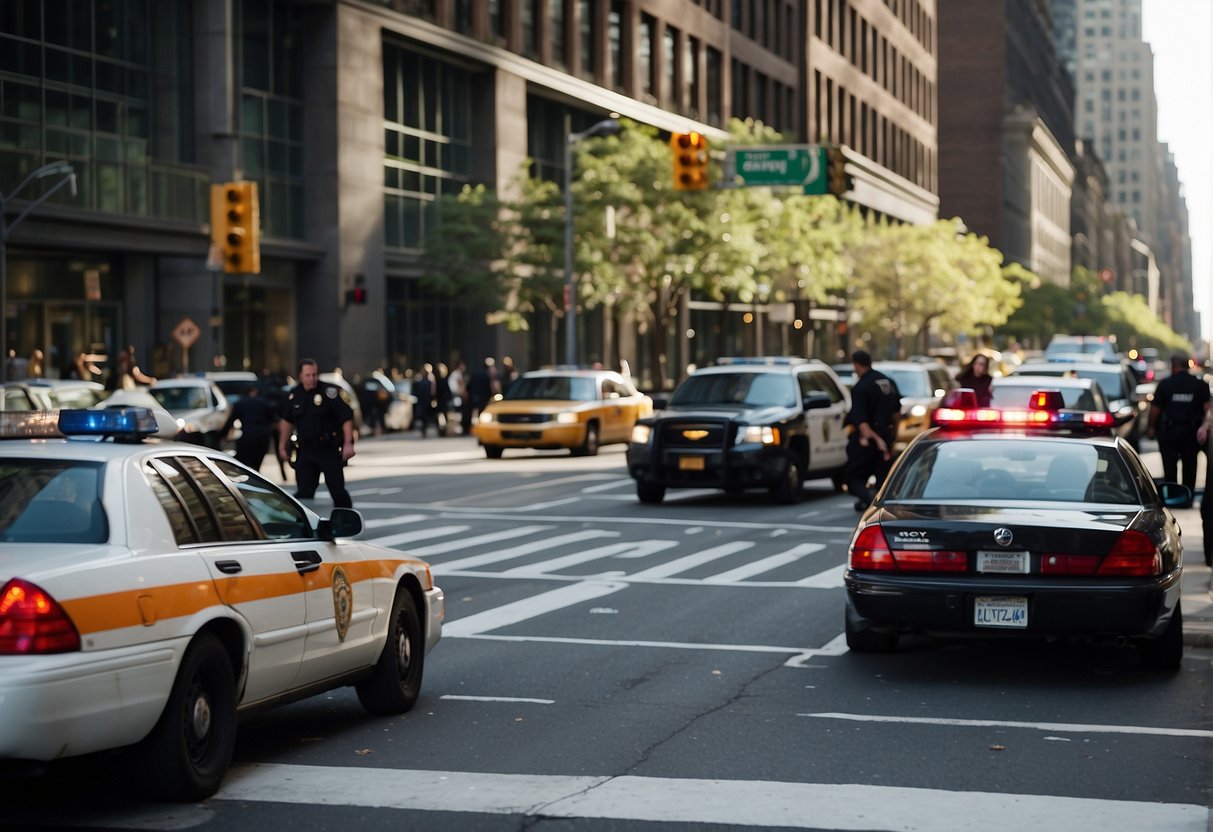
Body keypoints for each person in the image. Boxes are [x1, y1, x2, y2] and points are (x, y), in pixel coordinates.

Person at [277, 358, 356, 508]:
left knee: (337, 490)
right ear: (300, 375)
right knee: (303, 493)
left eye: (314, 374)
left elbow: (346, 416)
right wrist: (282, 446)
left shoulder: (328, 392)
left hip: (328, 450)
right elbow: (287, 421)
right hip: (306, 451)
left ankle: (346, 520)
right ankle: (304, 525)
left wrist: (348, 443)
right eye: (308, 375)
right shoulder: (294, 394)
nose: (312, 378)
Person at [844, 349, 902, 511]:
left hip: (867, 441)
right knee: (883, 479)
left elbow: (860, 420)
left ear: (856, 365)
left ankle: (869, 499)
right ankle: (874, 502)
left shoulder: (861, 387)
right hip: (886, 436)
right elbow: (897, 413)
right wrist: (892, 437)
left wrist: (875, 439)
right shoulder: (887, 381)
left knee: (853, 479)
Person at [1146, 352, 1211, 490]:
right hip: (1191, 433)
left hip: (1169, 432)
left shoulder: (1165, 384)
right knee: (1190, 466)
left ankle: (1171, 495)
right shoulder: (1200, 385)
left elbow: (1155, 410)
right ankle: (1187, 495)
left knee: (1169, 468)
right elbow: (1209, 410)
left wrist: (1151, 428)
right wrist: (1205, 427)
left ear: (1173, 366)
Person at [223, 383, 278, 473]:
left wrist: (222, 435)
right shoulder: (264, 403)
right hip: (262, 437)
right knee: (257, 466)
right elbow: (272, 420)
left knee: (244, 465)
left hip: (247, 437)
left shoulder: (240, 404)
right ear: (254, 391)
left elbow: (231, 420)